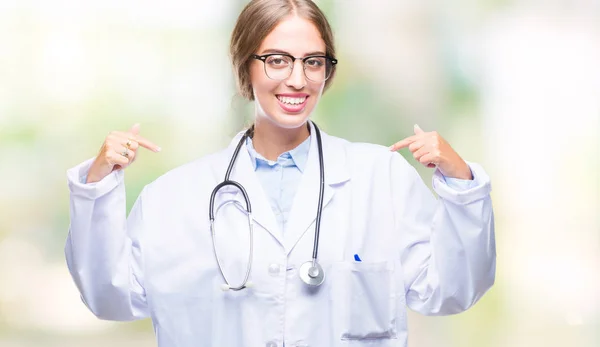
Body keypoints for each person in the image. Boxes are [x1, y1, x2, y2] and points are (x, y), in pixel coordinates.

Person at [65, 0, 496, 346]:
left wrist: (460, 184)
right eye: (276, 60)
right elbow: (111, 296)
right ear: (244, 67)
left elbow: (451, 290)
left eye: (313, 61)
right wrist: (97, 186)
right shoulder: (175, 196)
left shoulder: (380, 178)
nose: (297, 79)